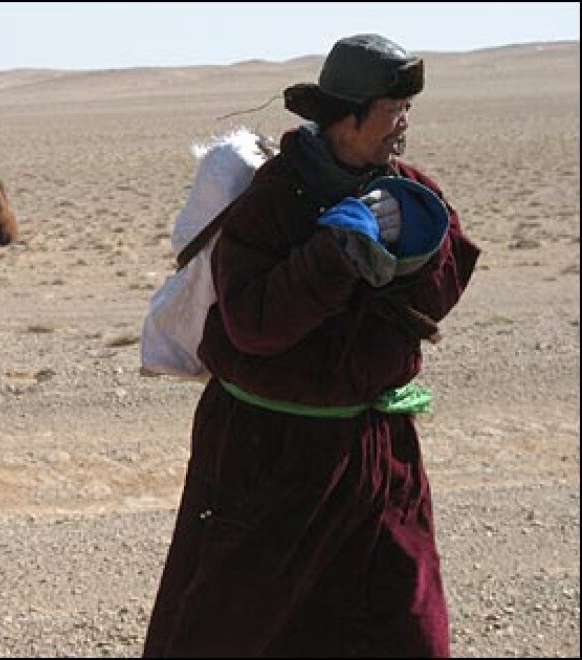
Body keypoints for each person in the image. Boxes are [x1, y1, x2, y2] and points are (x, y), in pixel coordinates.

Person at [142, 33, 481, 658]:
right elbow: (254, 324)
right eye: (392, 110)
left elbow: (441, 290)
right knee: (236, 632)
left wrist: (414, 255)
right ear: (345, 115)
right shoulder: (273, 199)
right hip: (270, 458)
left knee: (404, 627)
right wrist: (332, 257)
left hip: (375, 456)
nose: (403, 124)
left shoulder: (407, 189)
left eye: (407, 110)